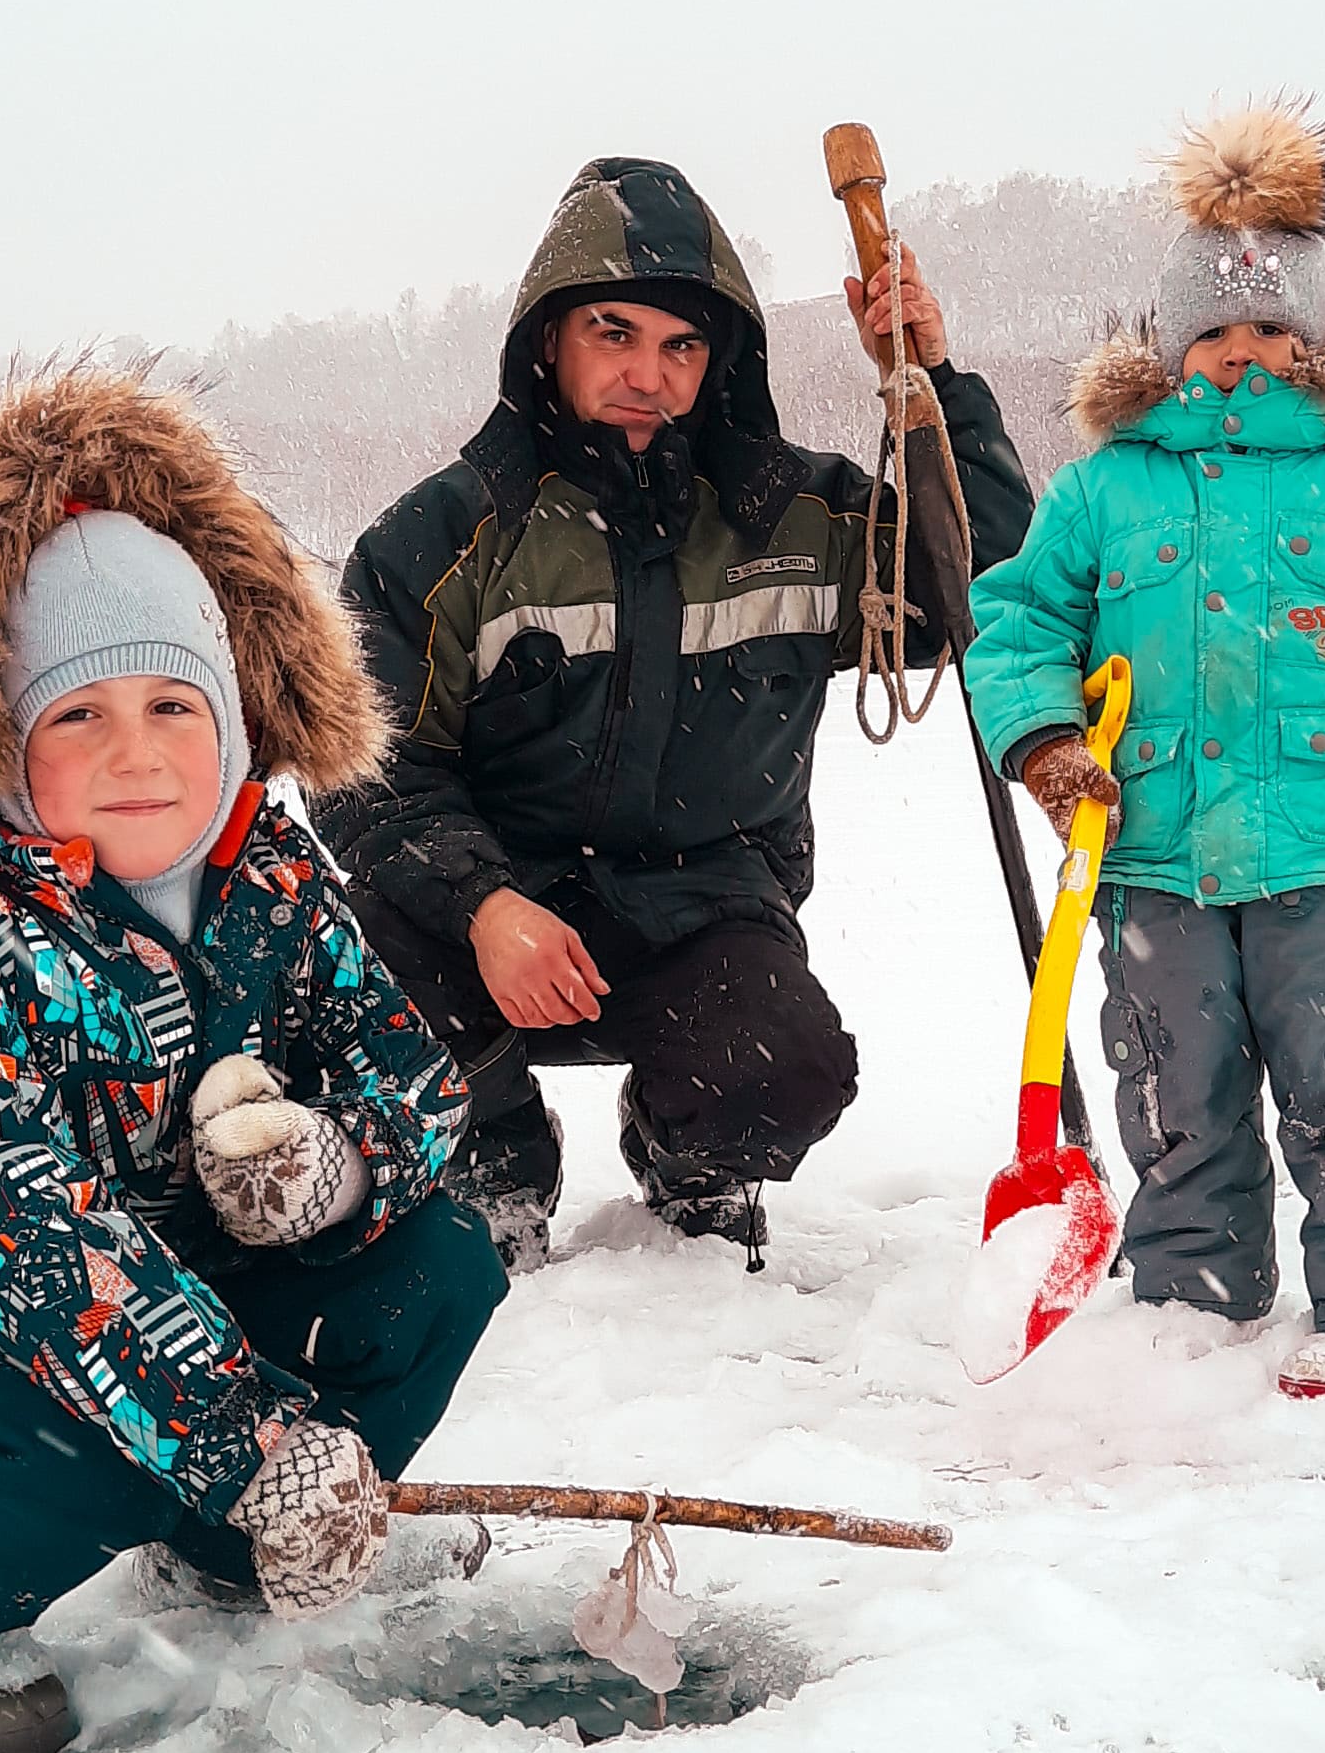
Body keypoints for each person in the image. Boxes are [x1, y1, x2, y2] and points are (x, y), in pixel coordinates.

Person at [0, 362, 506, 1753]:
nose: (138, 755)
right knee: (69, 1419)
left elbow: (411, 1072)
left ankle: (225, 1546)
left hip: (203, 1278)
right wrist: (255, 1443)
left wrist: (334, 1168)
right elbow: (32, 1249)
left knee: (439, 1269)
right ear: (2, 731)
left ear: (234, 714)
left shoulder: (271, 868)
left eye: (172, 706)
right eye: (78, 715)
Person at [322, 154, 1034, 1273]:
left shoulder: (800, 516)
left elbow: (979, 583)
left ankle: (685, 1157)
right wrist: (486, 904)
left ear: (721, 358)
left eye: (681, 344)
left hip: (702, 914)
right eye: (615, 332)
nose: (647, 372)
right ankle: (493, 1164)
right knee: (349, 968)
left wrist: (929, 379)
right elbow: (363, 768)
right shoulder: (443, 536)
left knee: (788, 1062)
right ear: (548, 338)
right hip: (488, 919)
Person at [964, 105, 1325, 1406]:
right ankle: (1194, 1302)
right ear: (1169, 348)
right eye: (1214, 332)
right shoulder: (1105, 491)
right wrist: (1044, 743)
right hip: (1152, 852)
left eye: (1273, 332)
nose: (1244, 356)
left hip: (1322, 856)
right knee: (1175, 1088)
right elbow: (1020, 624)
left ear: (1319, 346)